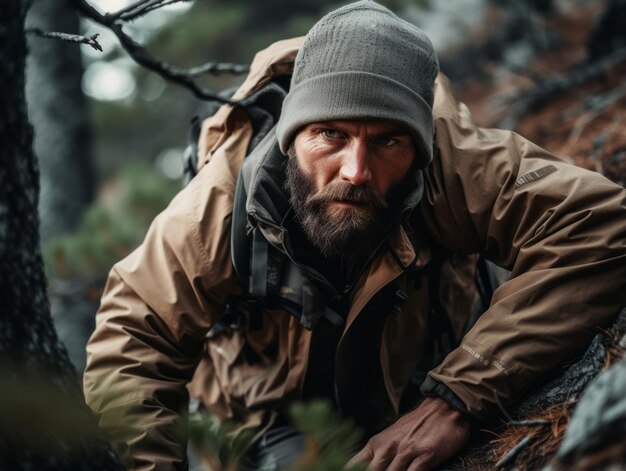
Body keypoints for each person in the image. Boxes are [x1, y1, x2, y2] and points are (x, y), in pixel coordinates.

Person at [83, 1, 626, 470]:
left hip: (428, 365)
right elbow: (133, 342)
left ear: (418, 145)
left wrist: (458, 397)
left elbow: (601, 223)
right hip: (274, 416)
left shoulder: (452, 165)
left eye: (388, 141)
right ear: (292, 137)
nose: (356, 171)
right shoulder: (218, 210)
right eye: (330, 135)